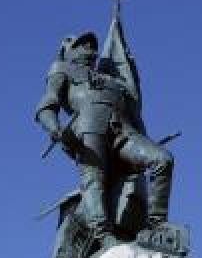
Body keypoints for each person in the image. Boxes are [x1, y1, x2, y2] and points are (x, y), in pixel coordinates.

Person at [35, 31, 174, 244]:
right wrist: (54, 128)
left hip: (123, 131)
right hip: (89, 130)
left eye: (92, 46)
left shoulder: (111, 78)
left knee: (162, 160)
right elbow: (47, 105)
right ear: (68, 51)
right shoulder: (61, 68)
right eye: (83, 45)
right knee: (94, 179)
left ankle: (156, 224)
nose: (90, 50)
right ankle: (103, 234)